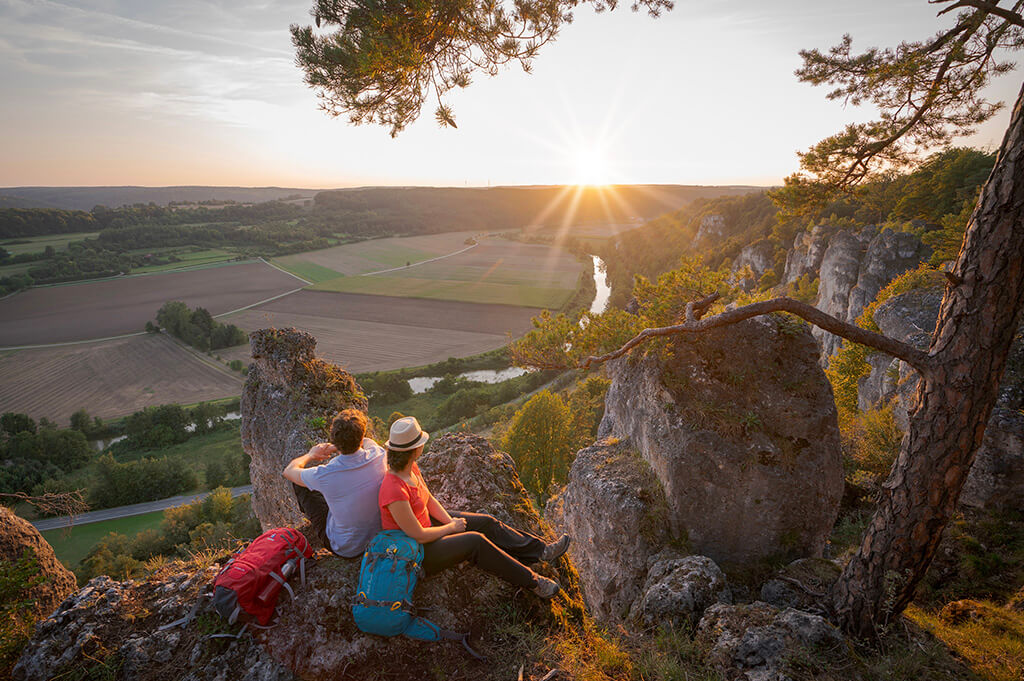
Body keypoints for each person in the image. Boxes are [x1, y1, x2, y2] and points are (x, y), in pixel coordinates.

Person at [379, 416, 570, 598]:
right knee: (475, 542)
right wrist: (451, 528)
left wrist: (450, 521)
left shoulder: (411, 468)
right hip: (417, 553)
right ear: (415, 449)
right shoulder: (394, 489)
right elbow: (418, 535)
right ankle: (534, 582)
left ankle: (541, 551)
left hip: (428, 527)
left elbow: (428, 500)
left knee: (486, 522)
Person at [282, 409, 386, 558]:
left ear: (334, 438)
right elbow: (369, 442)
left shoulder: (326, 474)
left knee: (300, 483)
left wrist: (311, 455)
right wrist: (340, 445)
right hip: (379, 538)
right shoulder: (379, 454)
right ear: (361, 437)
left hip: (347, 549)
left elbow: (289, 471)